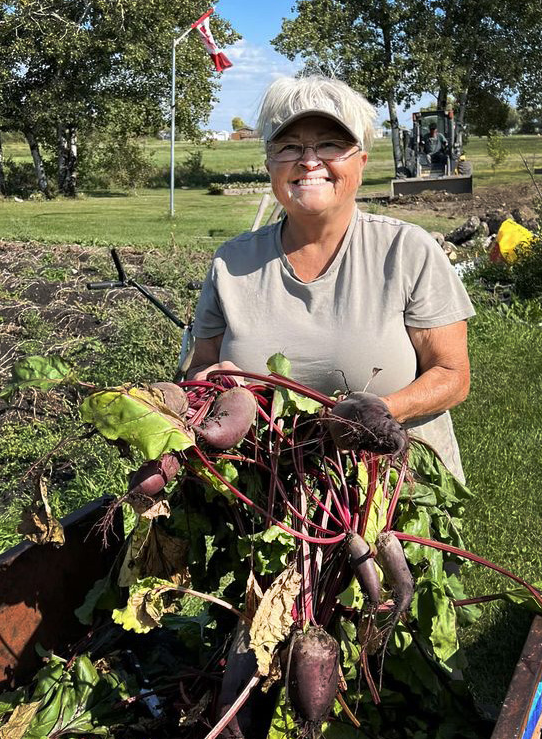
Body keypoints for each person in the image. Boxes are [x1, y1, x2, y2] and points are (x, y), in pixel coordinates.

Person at [188, 76, 475, 481]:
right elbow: (200, 366)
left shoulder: (407, 251)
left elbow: (452, 376)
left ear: (361, 159)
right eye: (288, 147)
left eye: (330, 145)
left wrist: (379, 414)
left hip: (395, 487)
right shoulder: (231, 263)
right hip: (262, 491)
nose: (309, 161)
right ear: (270, 163)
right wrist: (211, 383)